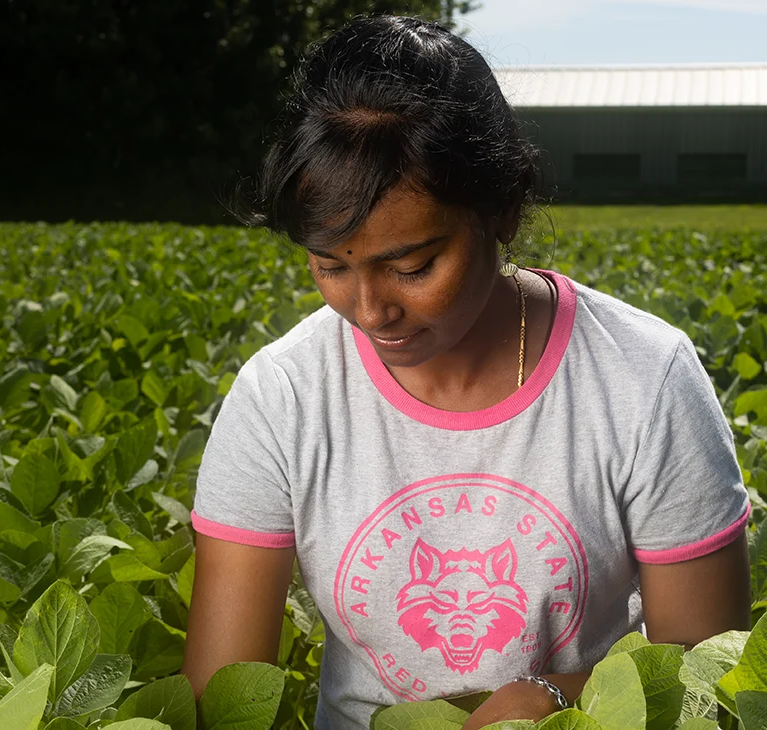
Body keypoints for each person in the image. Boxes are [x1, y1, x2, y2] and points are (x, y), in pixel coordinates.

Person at [180, 15, 751, 730]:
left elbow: (708, 678)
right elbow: (218, 706)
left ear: (503, 209)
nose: (370, 310)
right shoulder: (282, 397)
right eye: (330, 265)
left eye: (413, 266)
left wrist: (560, 695)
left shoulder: (646, 380)